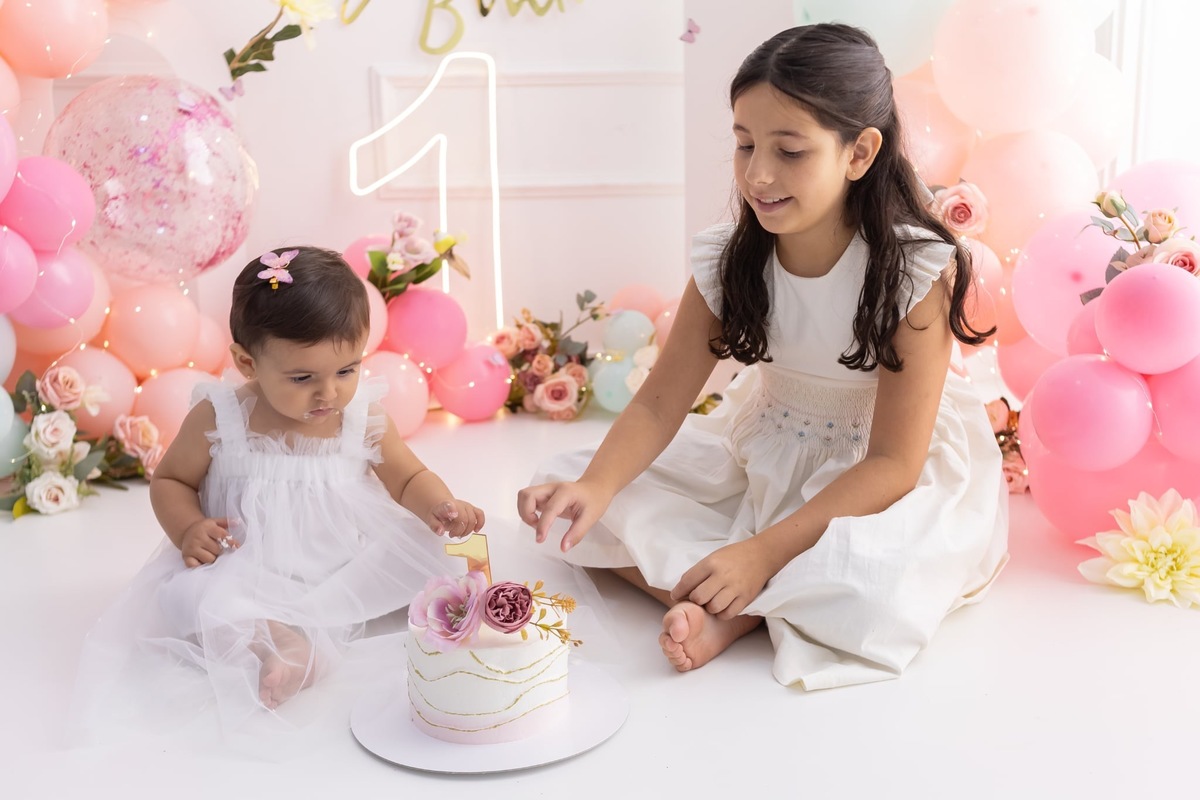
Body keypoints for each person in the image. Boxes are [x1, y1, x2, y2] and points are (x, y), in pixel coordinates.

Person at [518, 24, 1009, 690]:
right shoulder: (730, 258)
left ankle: (735, 600)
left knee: (871, 588)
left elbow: (895, 465)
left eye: (791, 150)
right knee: (574, 490)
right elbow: (661, 403)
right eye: (745, 144)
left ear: (860, 152)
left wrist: (761, 550)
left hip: (875, 476)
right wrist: (596, 487)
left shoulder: (912, 270)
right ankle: (746, 600)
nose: (759, 174)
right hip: (767, 443)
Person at [70, 247, 483, 747]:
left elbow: (407, 477)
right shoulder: (221, 417)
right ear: (247, 363)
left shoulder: (363, 417)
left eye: (346, 370)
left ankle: (322, 620)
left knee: (441, 561)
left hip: (342, 563)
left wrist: (439, 505)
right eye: (302, 378)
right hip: (247, 563)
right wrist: (188, 528)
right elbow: (171, 481)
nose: (328, 393)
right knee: (188, 598)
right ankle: (282, 640)